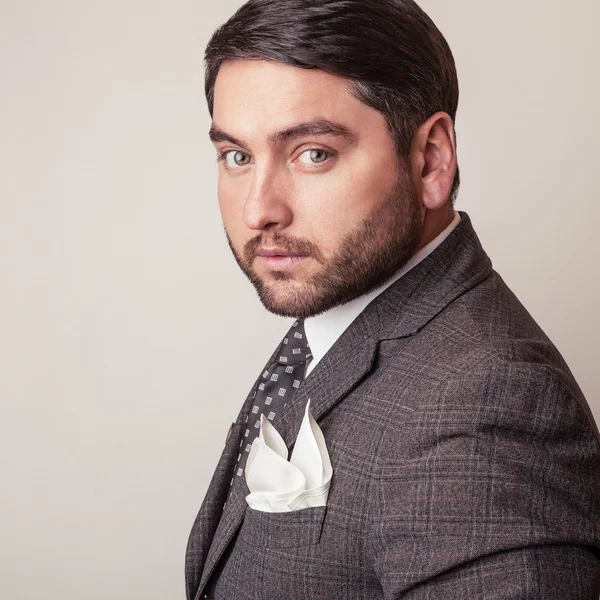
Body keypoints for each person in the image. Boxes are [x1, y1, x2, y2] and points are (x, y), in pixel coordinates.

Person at [185, 1, 600, 598]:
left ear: (431, 158)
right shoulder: (341, 329)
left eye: (314, 153)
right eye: (238, 157)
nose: (259, 210)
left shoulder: (486, 400)